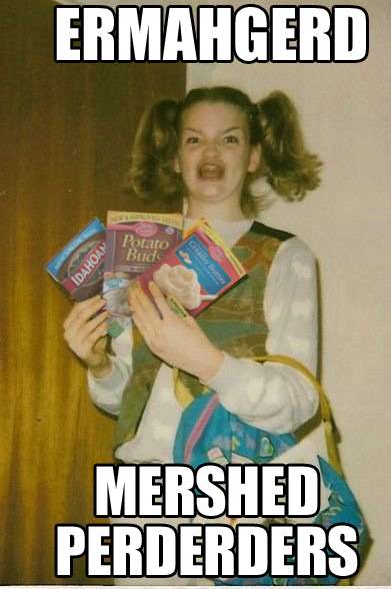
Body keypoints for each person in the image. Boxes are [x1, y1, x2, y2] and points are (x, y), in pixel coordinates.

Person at [63, 86, 324, 584]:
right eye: (194, 139)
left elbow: (299, 400)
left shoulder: (285, 255)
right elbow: (125, 398)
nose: (210, 153)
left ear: (253, 156)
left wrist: (208, 363)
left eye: (229, 139)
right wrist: (99, 363)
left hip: (235, 503)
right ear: (175, 156)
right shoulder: (139, 249)